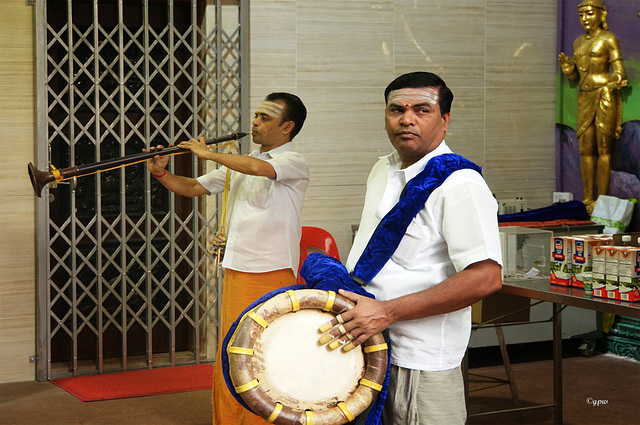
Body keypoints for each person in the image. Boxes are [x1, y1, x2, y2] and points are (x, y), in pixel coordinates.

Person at [318, 72, 502, 424]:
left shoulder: (461, 184)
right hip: (367, 347)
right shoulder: (381, 168)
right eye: (396, 109)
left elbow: (486, 278)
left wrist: (387, 311)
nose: (407, 119)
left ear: (444, 120)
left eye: (422, 109)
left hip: (420, 357)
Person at [146, 92, 309, 425]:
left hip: (272, 271)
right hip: (237, 270)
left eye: (265, 118)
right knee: (234, 350)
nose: (255, 123)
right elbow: (191, 187)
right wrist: (161, 174)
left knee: (265, 354)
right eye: (257, 116)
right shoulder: (240, 166)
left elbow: (257, 167)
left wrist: (208, 153)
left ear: (287, 126)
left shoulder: (293, 162)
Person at [558, 0, 627, 212]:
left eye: (589, 13)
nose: (585, 19)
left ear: (601, 14)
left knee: (604, 148)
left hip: (604, 95)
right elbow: (577, 74)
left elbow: (619, 72)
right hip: (584, 96)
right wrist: (569, 69)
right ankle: (588, 199)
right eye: (581, 15)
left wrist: (613, 80)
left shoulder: (608, 39)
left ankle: (603, 199)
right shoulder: (578, 42)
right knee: (585, 149)